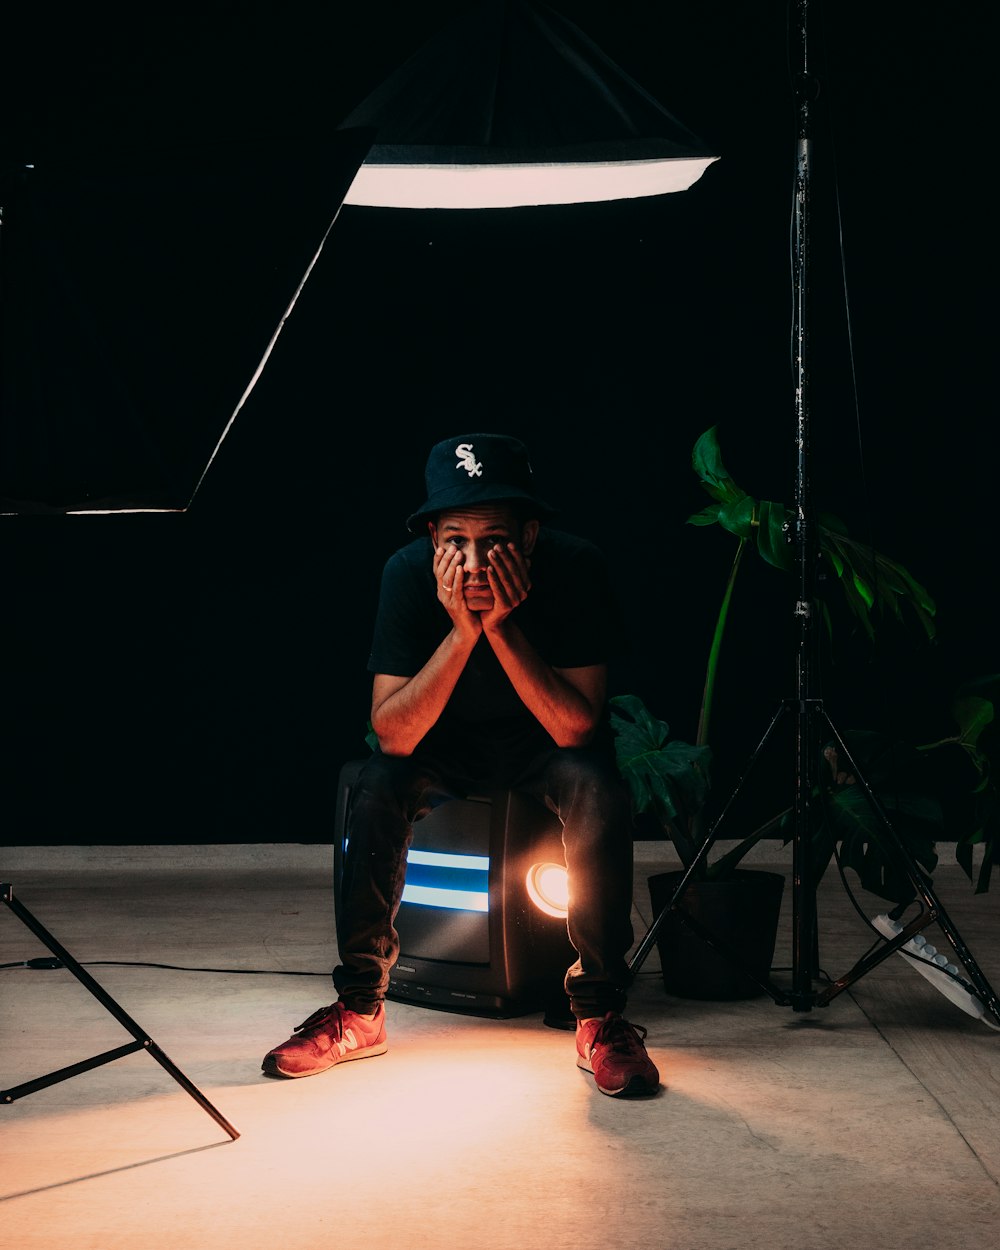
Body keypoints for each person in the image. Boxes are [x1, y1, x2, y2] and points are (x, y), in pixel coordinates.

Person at [262, 432, 659, 1097]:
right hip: (443, 748)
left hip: (544, 749)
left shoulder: (576, 565)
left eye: (495, 541)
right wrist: (462, 629)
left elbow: (576, 727)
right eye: (455, 541)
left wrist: (501, 627)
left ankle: (598, 1015)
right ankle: (360, 1010)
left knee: (597, 787)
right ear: (433, 537)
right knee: (376, 783)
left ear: (529, 536)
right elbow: (393, 733)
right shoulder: (407, 573)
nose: (473, 561)